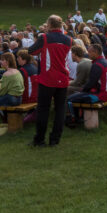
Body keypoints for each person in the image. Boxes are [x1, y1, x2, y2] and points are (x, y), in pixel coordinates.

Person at [28, 15, 72, 147]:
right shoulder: (68, 39)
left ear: (49, 25)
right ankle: (55, 140)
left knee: (43, 109)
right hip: (62, 78)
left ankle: (39, 140)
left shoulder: (45, 38)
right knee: (60, 110)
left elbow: (31, 51)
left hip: (47, 79)